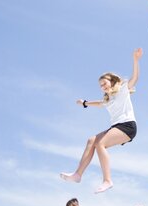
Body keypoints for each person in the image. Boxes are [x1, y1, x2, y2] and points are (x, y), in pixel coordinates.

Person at [60, 48, 142, 193]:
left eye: (104, 84)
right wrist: (85, 103)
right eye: (101, 86)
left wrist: (135, 60)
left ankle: (107, 180)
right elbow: (99, 103)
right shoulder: (107, 99)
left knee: (100, 143)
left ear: (112, 81)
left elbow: (134, 78)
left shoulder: (123, 89)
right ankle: (78, 174)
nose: (103, 87)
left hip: (128, 126)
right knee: (91, 140)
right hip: (116, 126)